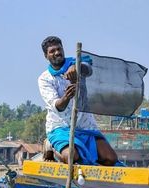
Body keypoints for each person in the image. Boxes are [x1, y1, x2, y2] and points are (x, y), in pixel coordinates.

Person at [38, 36, 118, 166]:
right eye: (52, 51)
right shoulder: (45, 79)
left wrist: (76, 66)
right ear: (46, 56)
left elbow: (88, 67)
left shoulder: (76, 62)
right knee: (72, 157)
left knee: (110, 158)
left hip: (84, 125)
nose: (57, 53)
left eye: (59, 49)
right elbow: (58, 106)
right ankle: (50, 145)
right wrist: (67, 96)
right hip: (61, 127)